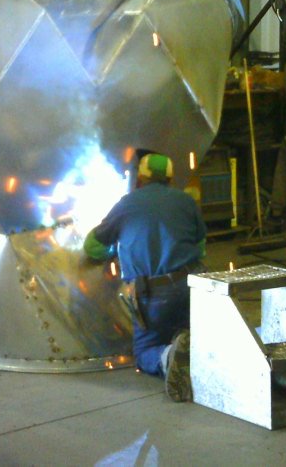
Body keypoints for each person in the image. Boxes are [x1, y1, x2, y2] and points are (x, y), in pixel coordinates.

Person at [84, 152, 207, 401]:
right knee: (192, 332)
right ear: (170, 179)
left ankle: (167, 356)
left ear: (140, 178)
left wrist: (114, 250)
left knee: (144, 352)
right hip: (192, 287)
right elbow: (201, 245)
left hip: (153, 295)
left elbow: (92, 246)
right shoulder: (185, 201)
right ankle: (190, 350)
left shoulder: (127, 204)